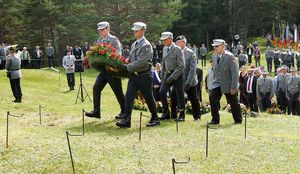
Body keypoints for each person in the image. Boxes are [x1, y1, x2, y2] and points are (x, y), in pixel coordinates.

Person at [116, 22, 160, 128]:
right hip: (134, 75)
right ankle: (127, 120)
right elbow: (131, 57)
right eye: (134, 30)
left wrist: (127, 67)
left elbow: (141, 62)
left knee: (148, 97)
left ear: (143, 31)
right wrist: (124, 61)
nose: (134, 32)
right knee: (129, 96)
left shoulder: (146, 45)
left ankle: (155, 118)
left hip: (145, 75)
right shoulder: (134, 44)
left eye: (137, 30)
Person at [85, 21, 125, 119]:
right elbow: (95, 53)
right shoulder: (99, 40)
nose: (100, 32)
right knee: (96, 88)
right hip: (103, 71)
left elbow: (118, 54)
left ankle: (125, 112)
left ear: (108, 29)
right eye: (99, 30)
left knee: (118, 92)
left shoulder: (114, 40)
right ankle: (96, 111)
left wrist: (108, 59)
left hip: (112, 70)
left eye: (102, 30)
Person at [209, 39, 242, 125]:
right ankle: (215, 120)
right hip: (217, 83)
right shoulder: (214, 56)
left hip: (228, 84)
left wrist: (234, 87)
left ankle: (238, 120)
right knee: (213, 99)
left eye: (217, 46)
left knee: (233, 102)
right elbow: (215, 70)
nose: (215, 48)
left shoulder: (230, 57)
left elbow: (235, 73)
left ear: (223, 46)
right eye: (214, 46)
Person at [172, 35, 201, 121]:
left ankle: (197, 117)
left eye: (179, 42)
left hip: (190, 81)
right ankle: (177, 115)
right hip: (178, 81)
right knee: (174, 97)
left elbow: (192, 70)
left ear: (184, 43)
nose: (177, 44)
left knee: (193, 99)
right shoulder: (175, 52)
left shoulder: (190, 53)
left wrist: (188, 83)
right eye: (176, 42)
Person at [158, 32, 185, 121]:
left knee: (179, 94)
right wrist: (162, 77)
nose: (164, 42)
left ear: (170, 39)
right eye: (163, 40)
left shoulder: (178, 49)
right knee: (162, 92)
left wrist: (172, 77)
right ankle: (166, 113)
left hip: (177, 74)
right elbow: (164, 64)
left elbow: (181, 65)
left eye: (165, 40)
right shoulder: (165, 48)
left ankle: (181, 114)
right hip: (168, 73)